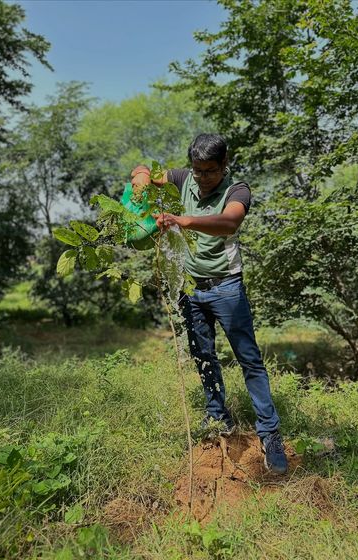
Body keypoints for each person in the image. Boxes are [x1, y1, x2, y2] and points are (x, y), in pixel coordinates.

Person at [131, 133, 288, 474]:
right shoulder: (182, 179)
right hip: (192, 288)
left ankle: (270, 433)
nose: (201, 178)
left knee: (249, 360)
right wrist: (141, 178)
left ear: (224, 165)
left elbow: (229, 221)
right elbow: (144, 168)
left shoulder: (237, 190)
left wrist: (183, 220)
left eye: (209, 171)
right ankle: (219, 418)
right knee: (203, 356)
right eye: (197, 170)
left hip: (226, 288)